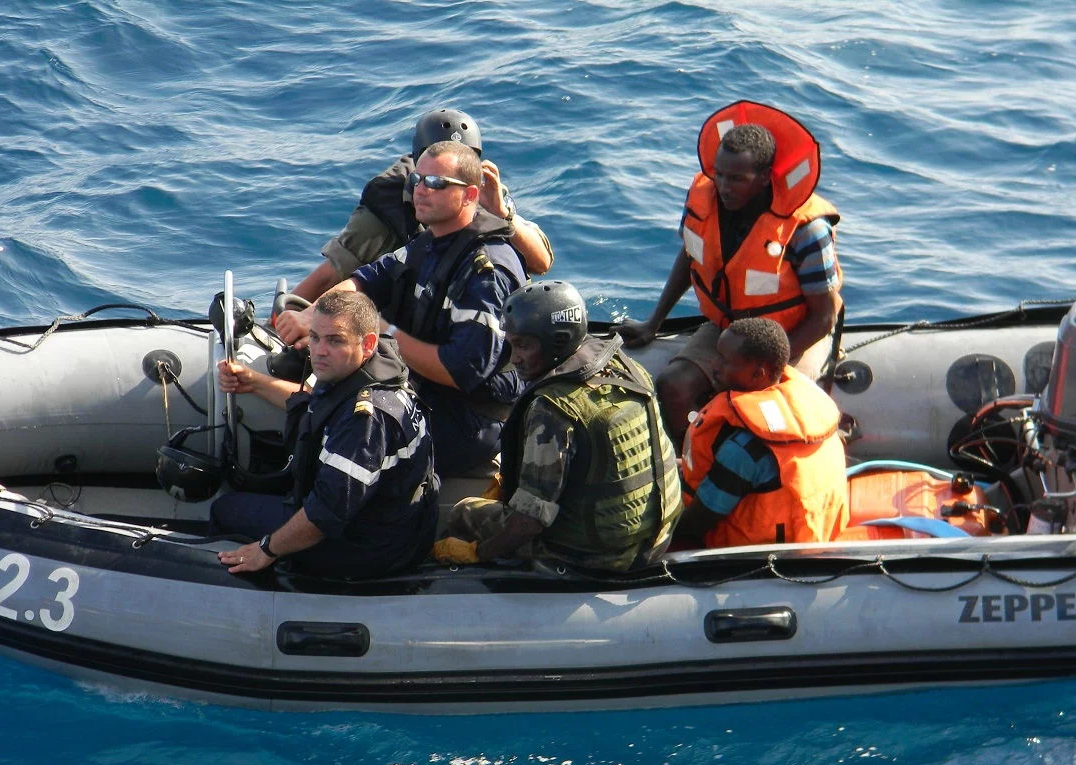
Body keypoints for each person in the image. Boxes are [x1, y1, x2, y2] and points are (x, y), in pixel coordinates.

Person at [276, 140, 529, 476]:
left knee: (351, 429)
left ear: (469, 196)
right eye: (417, 181)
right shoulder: (434, 241)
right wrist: (314, 315)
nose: (421, 191)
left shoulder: (487, 272)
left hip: (469, 421)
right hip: (429, 391)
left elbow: (461, 371)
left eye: (436, 184)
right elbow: (366, 279)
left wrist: (386, 332)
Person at [613, 100, 844, 442]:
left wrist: (770, 368)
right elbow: (690, 256)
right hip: (729, 329)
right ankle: (690, 466)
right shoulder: (704, 200)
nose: (723, 185)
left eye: (737, 178)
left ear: (765, 177)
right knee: (673, 387)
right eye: (719, 174)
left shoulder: (807, 229)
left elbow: (823, 317)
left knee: (769, 415)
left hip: (791, 338)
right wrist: (653, 323)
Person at [433, 280, 682, 571]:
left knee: (464, 512)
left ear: (559, 340)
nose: (514, 359)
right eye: (511, 345)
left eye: (523, 346)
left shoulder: (552, 410)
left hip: (601, 556)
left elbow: (529, 522)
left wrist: (479, 552)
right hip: (658, 535)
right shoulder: (626, 367)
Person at [212, 290, 437, 578]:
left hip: (370, 547)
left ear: (367, 343)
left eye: (335, 340)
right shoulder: (366, 370)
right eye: (315, 337)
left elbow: (324, 515)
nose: (318, 351)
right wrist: (254, 383)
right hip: (389, 520)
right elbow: (312, 406)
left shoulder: (366, 421)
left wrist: (265, 550)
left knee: (225, 509)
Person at [285, 107, 552, 308]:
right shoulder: (388, 209)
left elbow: (541, 262)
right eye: (429, 178)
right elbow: (329, 277)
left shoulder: (484, 193)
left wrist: (503, 215)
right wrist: (286, 320)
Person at [674, 317, 848, 548]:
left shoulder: (743, 450)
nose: (714, 365)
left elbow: (695, 525)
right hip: (817, 528)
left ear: (758, 374)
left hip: (762, 554)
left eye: (724, 361)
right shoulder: (804, 405)